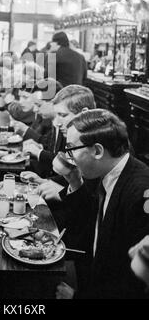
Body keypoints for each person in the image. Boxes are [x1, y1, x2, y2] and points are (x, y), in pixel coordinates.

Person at [54, 109, 149, 299]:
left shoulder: (140, 194)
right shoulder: (104, 170)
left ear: (97, 151)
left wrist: (77, 297)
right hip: (90, 276)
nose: (69, 157)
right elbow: (90, 228)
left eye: (71, 149)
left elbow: (133, 281)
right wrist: (74, 181)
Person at [21, 85, 96, 183]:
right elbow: (69, 175)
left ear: (84, 113)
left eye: (63, 115)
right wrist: (43, 181)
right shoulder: (73, 137)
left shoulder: (92, 144)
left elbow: (86, 189)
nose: (57, 123)